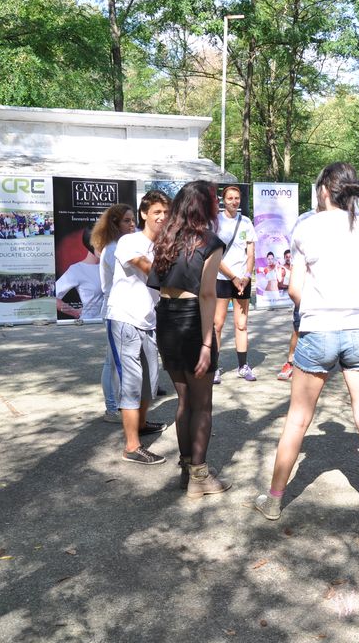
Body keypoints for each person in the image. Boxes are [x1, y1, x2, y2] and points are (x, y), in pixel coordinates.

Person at [254, 162, 359, 531]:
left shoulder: (306, 228)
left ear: (324, 190)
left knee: (297, 420)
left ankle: (273, 500)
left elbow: (294, 288)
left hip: (317, 331)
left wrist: (316, 306)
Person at [149, 181, 230, 497]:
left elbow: (158, 285)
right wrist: (208, 343)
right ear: (206, 207)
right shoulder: (210, 242)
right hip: (192, 320)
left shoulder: (165, 239)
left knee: (184, 401)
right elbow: (208, 294)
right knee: (202, 404)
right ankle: (199, 476)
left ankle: (187, 469)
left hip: (166, 319)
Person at [105, 191, 171, 465]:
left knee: (150, 380)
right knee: (131, 383)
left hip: (148, 320)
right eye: (157, 212)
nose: (162, 217)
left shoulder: (164, 245)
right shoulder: (130, 241)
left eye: (166, 213)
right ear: (144, 214)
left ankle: (141, 424)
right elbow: (149, 270)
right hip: (124, 319)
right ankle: (132, 446)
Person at [93, 203, 136, 422]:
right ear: (115, 224)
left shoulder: (123, 245)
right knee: (112, 362)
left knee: (121, 361)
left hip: (127, 309)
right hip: (115, 309)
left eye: (133, 220)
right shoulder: (112, 249)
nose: (132, 224)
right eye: (127, 221)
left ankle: (120, 404)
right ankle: (111, 408)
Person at [213, 185, 257, 383]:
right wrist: (232, 277)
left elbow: (251, 253)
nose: (233, 201)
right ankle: (214, 368)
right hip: (222, 279)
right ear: (224, 200)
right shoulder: (215, 222)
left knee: (241, 324)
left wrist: (246, 276)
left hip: (242, 281)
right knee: (218, 324)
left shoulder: (246, 222)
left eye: (237, 198)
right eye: (230, 198)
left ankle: (243, 366)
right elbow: (214, 256)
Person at [276, 205, 322, 381]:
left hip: (328, 284)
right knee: (299, 325)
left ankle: (336, 362)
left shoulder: (341, 217)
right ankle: (291, 361)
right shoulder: (304, 219)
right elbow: (295, 252)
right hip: (305, 282)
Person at [56, 227, 104, 320]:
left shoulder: (112, 266)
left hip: (113, 323)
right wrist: (74, 312)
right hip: (91, 323)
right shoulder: (77, 270)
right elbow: (52, 297)